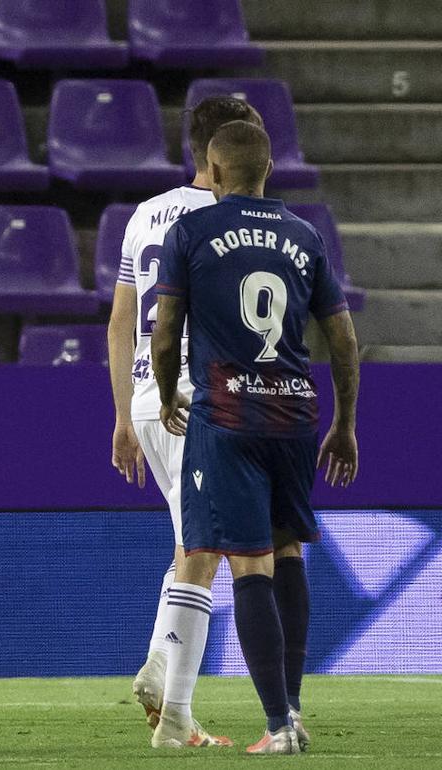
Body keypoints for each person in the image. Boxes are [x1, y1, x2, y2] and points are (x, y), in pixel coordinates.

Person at [151, 120, 360, 754]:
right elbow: (345, 341)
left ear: (211, 173)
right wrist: (345, 425)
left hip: (229, 416)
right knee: (288, 550)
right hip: (296, 415)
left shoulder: (189, 231)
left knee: (248, 564)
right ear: (268, 170)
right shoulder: (304, 234)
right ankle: (293, 710)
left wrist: (166, 397)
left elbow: (164, 336)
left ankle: (276, 729)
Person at [107, 97, 264, 747]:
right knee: (206, 554)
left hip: (147, 401)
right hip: (199, 399)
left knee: (191, 546)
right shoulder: (228, 219)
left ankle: (159, 675)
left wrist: (122, 414)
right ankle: (176, 715)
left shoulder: (144, 214)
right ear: (225, 151)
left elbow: (120, 322)